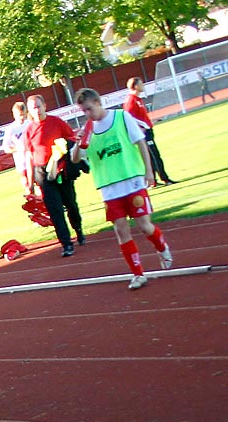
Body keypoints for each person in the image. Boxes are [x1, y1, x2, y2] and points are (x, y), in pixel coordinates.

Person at [72, 88, 173, 291]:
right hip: (109, 187)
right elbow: (75, 159)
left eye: (89, 109)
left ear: (98, 102)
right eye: (83, 111)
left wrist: (148, 171)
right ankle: (137, 273)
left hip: (132, 180)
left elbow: (140, 143)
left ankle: (162, 247)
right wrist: (77, 144)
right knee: (120, 229)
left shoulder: (121, 117)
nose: (87, 114)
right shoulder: (88, 131)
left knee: (144, 225)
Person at [23, 95, 85, 257]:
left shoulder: (56, 122)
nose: (36, 110)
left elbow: (71, 138)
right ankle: (66, 243)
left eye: (38, 106)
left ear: (44, 105)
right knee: (55, 209)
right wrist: (29, 183)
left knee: (70, 203)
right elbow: (29, 157)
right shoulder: (29, 130)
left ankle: (78, 230)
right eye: (32, 108)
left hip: (61, 168)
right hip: (42, 173)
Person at [123, 77, 175, 185]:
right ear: (135, 86)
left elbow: (139, 117)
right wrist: (141, 128)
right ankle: (165, 179)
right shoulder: (131, 100)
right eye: (141, 83)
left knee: (151, 156)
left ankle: (153, 181)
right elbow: (129, 117)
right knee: (154, 155)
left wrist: (150, 122)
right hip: (143, 133)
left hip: (147, 131)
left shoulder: (138, 99)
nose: (143, 85)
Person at [1, 101, 32, 194]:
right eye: (19, 115)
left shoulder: (30, 124)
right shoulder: (11, 129)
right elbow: (6, 148)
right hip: (21, 160)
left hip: (33, 157)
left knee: (38, 181)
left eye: (23, 114)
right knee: (26, 182)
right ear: (14, 115)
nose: (22, 117)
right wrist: (18, 149)